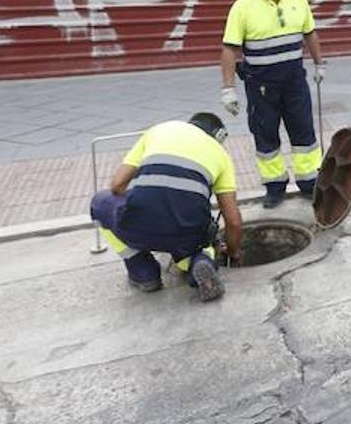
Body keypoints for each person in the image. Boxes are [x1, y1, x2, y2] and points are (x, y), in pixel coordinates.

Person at [90, 113, 242, 302]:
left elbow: (117, 185)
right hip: (187, 233)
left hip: (138, 225)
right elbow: (233, 221)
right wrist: (234, 254)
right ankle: (200, 262)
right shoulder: (221, 155)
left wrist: (149, 200)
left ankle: (144, 273)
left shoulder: (160, 130)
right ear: (218, 137)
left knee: (100, 203)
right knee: (198, 239)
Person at [220, 0, 326, 209]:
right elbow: (229, 49)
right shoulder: (243, 6)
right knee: (265, 137)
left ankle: (310, 183)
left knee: (304, 133)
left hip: (294, 80)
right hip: (261, 85)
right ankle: (275, 187)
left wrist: (319, 62)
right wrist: (228, 90)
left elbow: (309, 33)